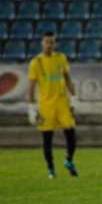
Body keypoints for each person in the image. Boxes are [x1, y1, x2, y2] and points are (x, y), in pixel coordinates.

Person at [27, 32, 79, 179]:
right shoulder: (36, 62)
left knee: (70, 132)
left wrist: (74, 98)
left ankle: (69, 160)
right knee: (47, 137)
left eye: (51, 42)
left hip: (62, 102)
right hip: (46, 105)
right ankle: (51, 169)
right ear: (42, 43)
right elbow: (31, 85)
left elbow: (67, 78)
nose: (49, 45)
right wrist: (31, 107)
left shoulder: (60, 58)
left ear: (54, 44)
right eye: (46, 42)